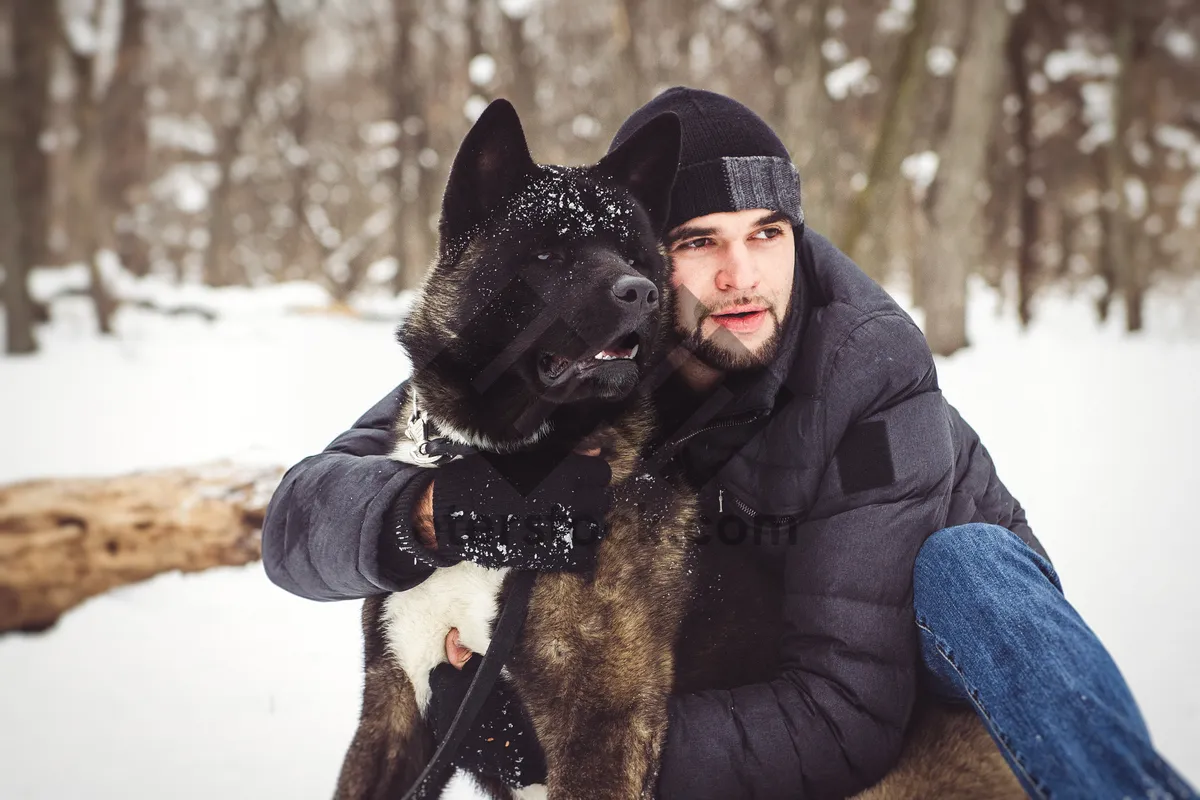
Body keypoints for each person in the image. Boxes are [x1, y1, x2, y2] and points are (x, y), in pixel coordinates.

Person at [262, 88, 1196, 799]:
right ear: (633, 263)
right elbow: (305, 514)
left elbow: (850, 714)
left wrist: (566, 736)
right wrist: (431, 509)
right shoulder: (579, 356)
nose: (742, 276)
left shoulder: (871, 374)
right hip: (736, 691)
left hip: (943, 695)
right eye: (698, 242)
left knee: (972, 564)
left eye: (768, 233)